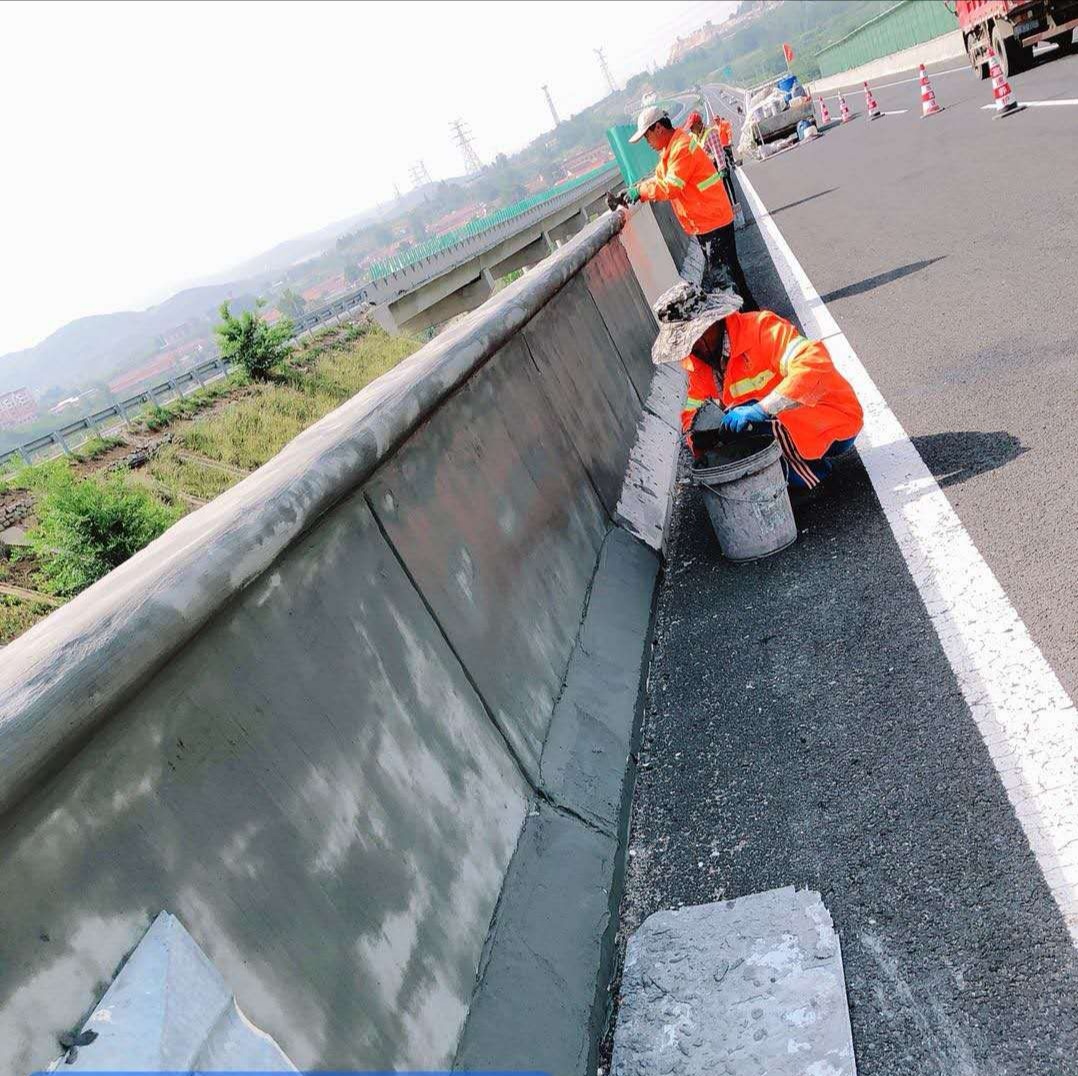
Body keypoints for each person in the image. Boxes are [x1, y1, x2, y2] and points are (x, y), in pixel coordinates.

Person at [651, 282, 863, 492]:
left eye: (694, 340)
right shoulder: (699, 362)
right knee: (728, 425)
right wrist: (699, 440)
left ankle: (807, 479)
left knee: (748, 419)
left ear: (710, 324)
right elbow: (694, 412)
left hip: (831, 419)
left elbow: (813, 362)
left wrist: (762, 408)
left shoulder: (763, 329)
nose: (692, 349)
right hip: (788, 424)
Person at [615, 105, 757, 310]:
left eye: (647, 136)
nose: (647, 142)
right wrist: (637, 189)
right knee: (730, 274)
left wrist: (641, 191)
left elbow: (671, 187)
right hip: (709, 221)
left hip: (712, 221)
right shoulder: (670, 150)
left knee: (725, 280)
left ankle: (747, 322)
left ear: (658, 128)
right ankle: (752, 316)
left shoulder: (680, 148)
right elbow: (661, 179)